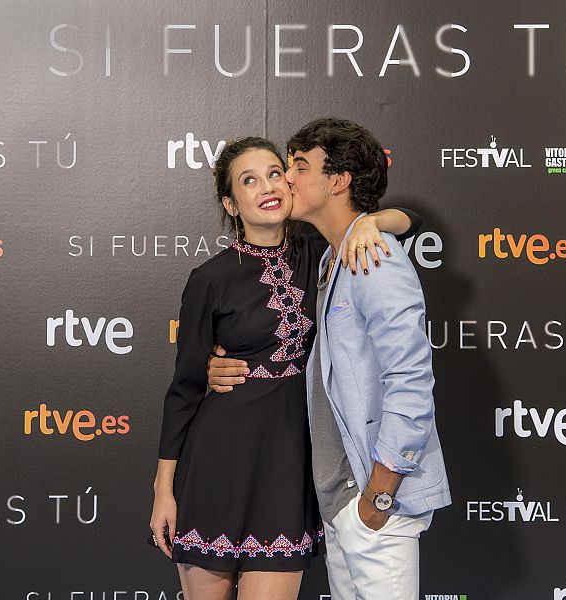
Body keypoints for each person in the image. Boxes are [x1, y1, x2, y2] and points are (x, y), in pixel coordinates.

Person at [149, 136, 421, 600]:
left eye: (275, 173)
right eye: (249, 181)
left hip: (287, 468)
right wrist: (163, 490)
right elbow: (185, 390)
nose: (267, 187)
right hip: (216, 464)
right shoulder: (209, 280)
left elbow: (412, 220)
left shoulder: (322, 251)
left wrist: (369, 223)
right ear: (231, 204)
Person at [208, 118, 451, 600]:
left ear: (338, 181)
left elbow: (411, 383)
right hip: (342, 503)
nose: (286, 179)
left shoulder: (374, 259)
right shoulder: (330, 258)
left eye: (298, 166)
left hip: (376, 502)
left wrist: (379, 497)